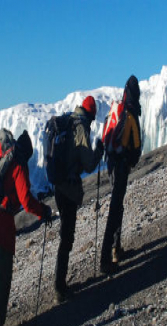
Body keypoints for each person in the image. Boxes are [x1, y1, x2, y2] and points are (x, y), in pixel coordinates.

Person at [0, 129, 52, 326]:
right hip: (1, 224)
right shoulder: (18, 165)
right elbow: (26, 200)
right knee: (3, 277)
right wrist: (43, 211)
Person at [53, 96, 104, 303]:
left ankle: (60, 283)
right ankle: (59, 287)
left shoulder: (68, 122)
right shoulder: (81, 128)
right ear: (90, 114)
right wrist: (98, 151)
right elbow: (89, 164)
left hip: (58, 186)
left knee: (65, 234)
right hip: (69, 188)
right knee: (67, 237)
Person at [99, 75, 142, 274]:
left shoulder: (115, 110)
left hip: (110, 165)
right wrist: (130, 161)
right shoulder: (131, 115)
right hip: (122, 167)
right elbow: (137, 147)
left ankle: (116, 248)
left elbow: (103, 138)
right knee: (116, 208)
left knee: (117, 206)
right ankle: (107, 256)